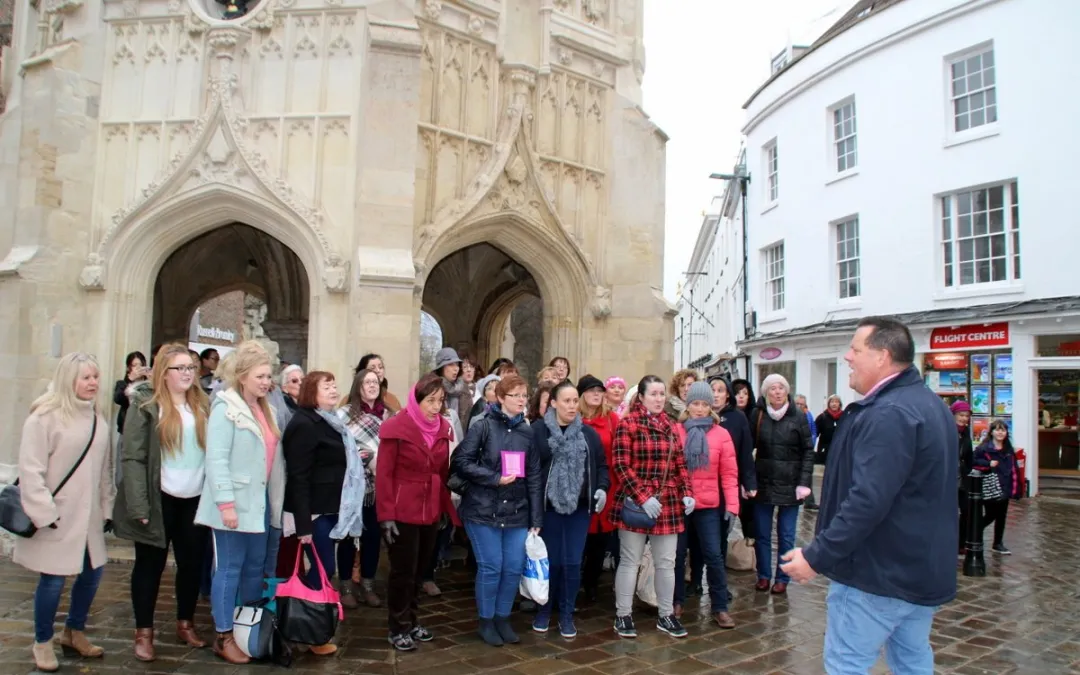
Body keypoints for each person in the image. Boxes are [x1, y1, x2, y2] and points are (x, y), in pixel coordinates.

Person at [781, 317, 958, 674]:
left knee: (847, 664)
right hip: (917, 570)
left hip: (877, 574)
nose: (847, 356)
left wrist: (816, 556)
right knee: (912, 660)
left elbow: (868, 500)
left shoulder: (890, 413)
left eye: (855, 349)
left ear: (882, 356)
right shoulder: (929, 405)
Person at [15, 352, 115, 673]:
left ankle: (74, 631)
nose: (93, 383)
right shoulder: (43, 417)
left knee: (92, 574)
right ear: (68, 379)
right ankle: (42, 640)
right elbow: (31, 470)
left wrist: (106, 506)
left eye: (95, 377)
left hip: (88, 520)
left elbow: (104, 470)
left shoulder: (99, 419)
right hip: (56, 517)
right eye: (85, 377)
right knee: (53, 581)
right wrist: (45, 514)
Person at [113, 344, 211, 661]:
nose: (186, 373)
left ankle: (185, 622)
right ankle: (144, 633)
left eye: (190, 368)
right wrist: (138, 506)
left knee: (192, 566)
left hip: (194, 499)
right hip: (159, 499)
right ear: (163, 374)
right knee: (149, 567)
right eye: (179, 368)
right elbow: (133, 457)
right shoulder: (146, 404)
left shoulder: (203, 405)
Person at [194, 341, 286, 665]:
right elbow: (216, 459)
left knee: (254, 568)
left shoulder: (268, 410)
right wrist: (225, 505)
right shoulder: (225, 407)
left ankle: (247, 627)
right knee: (229, 568)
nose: (266, 382)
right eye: (260, 376)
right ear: (243, 375)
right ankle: (223, 634)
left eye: (268, 376)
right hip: (232, 504)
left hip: (259, 502)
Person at [451, 375, 542, 647]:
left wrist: (536, 518)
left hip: (516, 512)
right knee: (492, 567)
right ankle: (486, 621)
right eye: (515, 395)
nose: (521, 400)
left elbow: (535, 476)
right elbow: (460, 461)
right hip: (482, 510)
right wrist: (494, 478)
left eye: (524, 395)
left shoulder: (528, 432)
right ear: (501, 398)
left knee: (513, 568)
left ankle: (503, 618)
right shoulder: (483, 426)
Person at [282, 371, 366, 655]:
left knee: (322, 569)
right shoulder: (304, 424)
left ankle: (308, 628)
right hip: (314, 512)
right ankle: (305, 628)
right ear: (310, 392)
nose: (333, 390)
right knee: (323, 568)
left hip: (333, 507)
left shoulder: (332, 420)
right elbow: (298, 476)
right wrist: (303, 524)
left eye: (334, 384)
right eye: (326, 386)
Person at [609, 375, 694, 640]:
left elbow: (680, 464)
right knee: (630, 560)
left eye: (661, 394)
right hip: (636, 502)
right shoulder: (629, 424)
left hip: (667, 503)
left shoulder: (670, 425)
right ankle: (623, 615)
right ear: (642, 397)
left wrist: (687, 493)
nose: (659, 399)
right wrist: (644, 497)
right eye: (654, 394)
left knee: (667, 563)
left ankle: (666, 615)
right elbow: (621, 464)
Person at [377, 374, 455, 651]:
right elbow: (384, 475)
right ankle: (398, 626)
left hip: (431, 508)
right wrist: (385, 515)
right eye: (430, 401)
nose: (436, 407)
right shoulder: (395, 428)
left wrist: (444, 507)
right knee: (403, 571)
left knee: (421, 570)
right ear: (417, 399)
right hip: (402, 509)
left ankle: (411, 620)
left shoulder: (444, 428)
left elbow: (443, 473)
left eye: (440, 401)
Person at [529, 380, 610, 638]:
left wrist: (601, 489)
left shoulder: (588, 435)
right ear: (553, 403)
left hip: (579, 509)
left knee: (572, 563)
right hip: (548, 509)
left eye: (575, 401)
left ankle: (566, 615)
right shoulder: (538, 431)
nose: (572, 406)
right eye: (567, 401)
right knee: (551, 563)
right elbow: (530, 473)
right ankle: (544, 611)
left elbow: (602, 466)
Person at [672, 381, 739, 629]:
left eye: (704, 404)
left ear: (711, 407)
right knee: (677, 556)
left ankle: (720, 606)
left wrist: (732, 506)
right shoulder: (676, 431)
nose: (699, 409)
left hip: (709, 506)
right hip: (680, 505)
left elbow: (730, 474)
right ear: (687, 405)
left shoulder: (721, 434)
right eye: (695, 403)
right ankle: (676, 601)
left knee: (714, 555)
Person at [748, 373, 813, 595]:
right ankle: (764, 575)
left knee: (786, 535)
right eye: (772, 388)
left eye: (781, 388)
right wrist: (748, 481)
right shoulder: (758, 415)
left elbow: (808, 451)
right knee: (762, 534)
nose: (777, 392)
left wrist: (803, 483)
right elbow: (747, 449)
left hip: (790, 486)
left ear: (787, 391)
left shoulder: (798, 416)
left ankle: (782, 577)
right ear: (766, 392)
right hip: (763, 484)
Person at [337, 369, 392, 608]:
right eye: (367, 382)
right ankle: (346, 586)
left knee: (372, 538)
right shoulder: (344, 414)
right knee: (349, 537)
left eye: (375, 382)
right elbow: (339, 447)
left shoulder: (389, 415)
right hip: (352, 487)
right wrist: (366, 457)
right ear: (357, 386)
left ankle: (368, 585)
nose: (372, 385)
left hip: (377, 489)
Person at [579, 376, 621, 602]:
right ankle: (575, 581)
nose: (597, 394)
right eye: (591, 390)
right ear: (582, 394)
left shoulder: (612, 419)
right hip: (581, 484)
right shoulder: (574, 417)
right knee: (581, 536)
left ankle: (592, 582)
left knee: (601, 537)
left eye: (599, 390)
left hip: (608, 483)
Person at [974, 419, 1022, 554]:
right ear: (992, 432)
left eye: (1003, 430)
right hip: (990, 486)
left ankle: (998, 543)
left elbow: (1014, 468)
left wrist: (1016, 488)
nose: (1000, 433)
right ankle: (975, 533)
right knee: (991, 515)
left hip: (1004, 486)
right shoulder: (983, 448)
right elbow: (974, 461)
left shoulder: (1008, 449)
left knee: (1002, 516)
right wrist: (988, 464)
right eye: (997, 429)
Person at [952, 400, 974, 556]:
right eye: (961, 415)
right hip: (948, 478)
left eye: (966, 416)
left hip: (962, 479)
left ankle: (961, 543)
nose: (964, 418)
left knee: (966, 511)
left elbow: (970, 457)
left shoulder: (966, 435)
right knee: (950, 512)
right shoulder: (946, 431)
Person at [113, 351, 148, 435]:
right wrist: (130, 380)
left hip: (144, 428)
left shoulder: (148, 384)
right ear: (128, 368)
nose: (138, 368)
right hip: (127, 429)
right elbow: (118, 399)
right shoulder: (122, 384)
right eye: (135, 365)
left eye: (141, 365)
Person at [814, 395, 844, 465]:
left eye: (836, 402)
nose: (834, 404)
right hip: (825, 451)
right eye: (832, 402)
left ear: (840, 404)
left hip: (840, 450)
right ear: (829, 404)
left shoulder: (844, 417)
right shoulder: (822, 417)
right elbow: (814, 433)